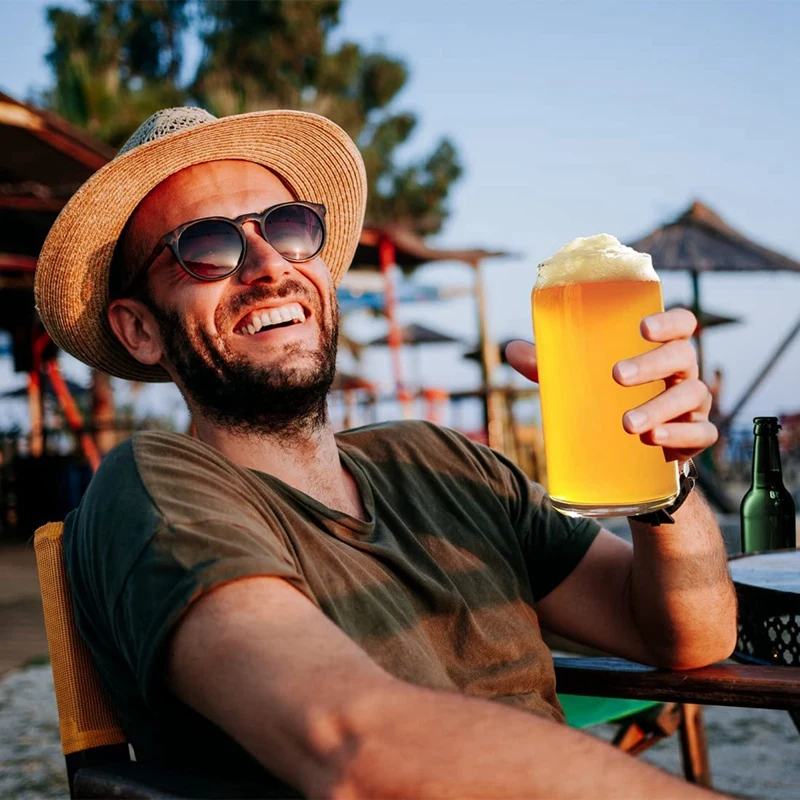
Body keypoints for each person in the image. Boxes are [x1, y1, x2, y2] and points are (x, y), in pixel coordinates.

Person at [36, 107, 736, 799]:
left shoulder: (440, 463)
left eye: (289, 227)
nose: (269, 264)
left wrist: (660, 475)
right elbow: (356, 750)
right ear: (139, 331)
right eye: (207, 247)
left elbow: (687, 637)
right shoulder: (157, 489)